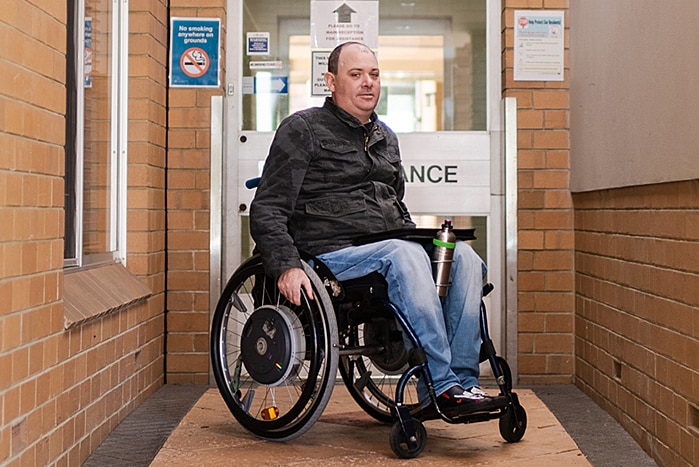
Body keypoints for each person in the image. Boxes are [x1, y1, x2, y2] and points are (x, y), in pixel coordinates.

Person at [250, 41, 498, 414]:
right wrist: (285, 265)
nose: (368, 83)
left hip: (385, 245)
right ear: (331, 81)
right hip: (328, 252)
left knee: (461, 255)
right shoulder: (303, 129)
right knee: (404, 253)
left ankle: (463, 384)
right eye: (356, 74)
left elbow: (394, 202)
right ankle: (442, 383)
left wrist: (421, 240)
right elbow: (268, 207)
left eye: (374, 74)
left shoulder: (386, 137)